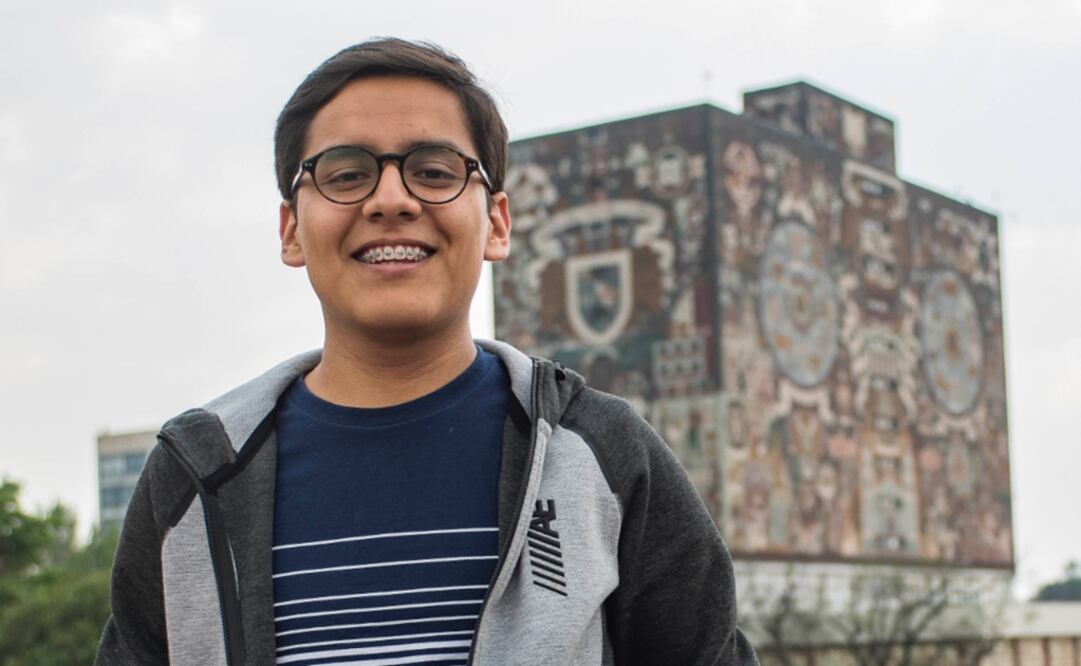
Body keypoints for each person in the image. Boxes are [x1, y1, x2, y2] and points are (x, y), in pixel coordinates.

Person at [96, 38, 758, 666]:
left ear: (496, 223)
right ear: (291, 229)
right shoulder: (195, 476)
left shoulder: (602, 456)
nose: (391, 200)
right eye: (345, 173)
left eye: (434, 171)